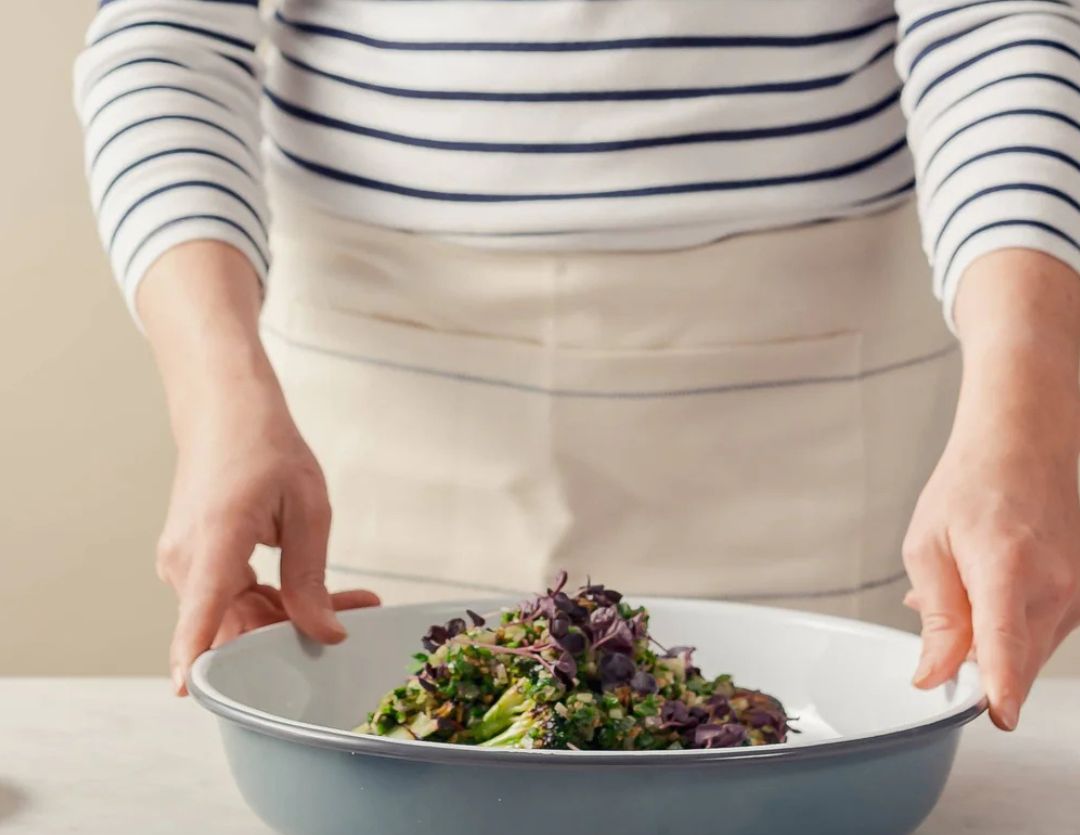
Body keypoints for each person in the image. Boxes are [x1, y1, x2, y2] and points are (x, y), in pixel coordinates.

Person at [74, 2, 1080, 731]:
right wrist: (218, 406)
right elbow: (168, 35)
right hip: (382, 388)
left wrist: (1024, 417)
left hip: (805, 394)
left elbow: (995, 26)